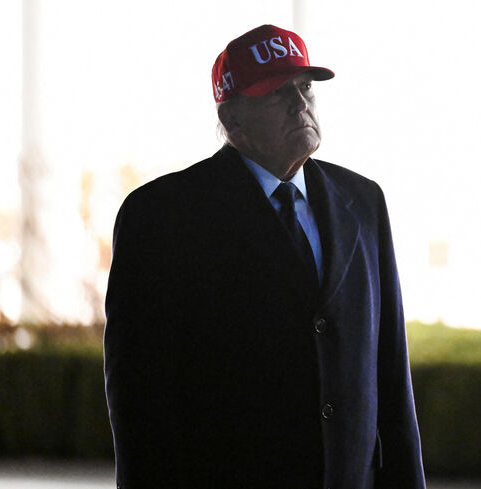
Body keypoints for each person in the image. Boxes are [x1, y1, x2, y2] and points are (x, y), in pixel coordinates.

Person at [103, 24, 425, 489]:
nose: (301, 103)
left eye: (305, 87)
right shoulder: (162, 216)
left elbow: (391, 375)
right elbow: (139, 396)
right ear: (233, 120)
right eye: (278, 93)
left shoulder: (363, 201)